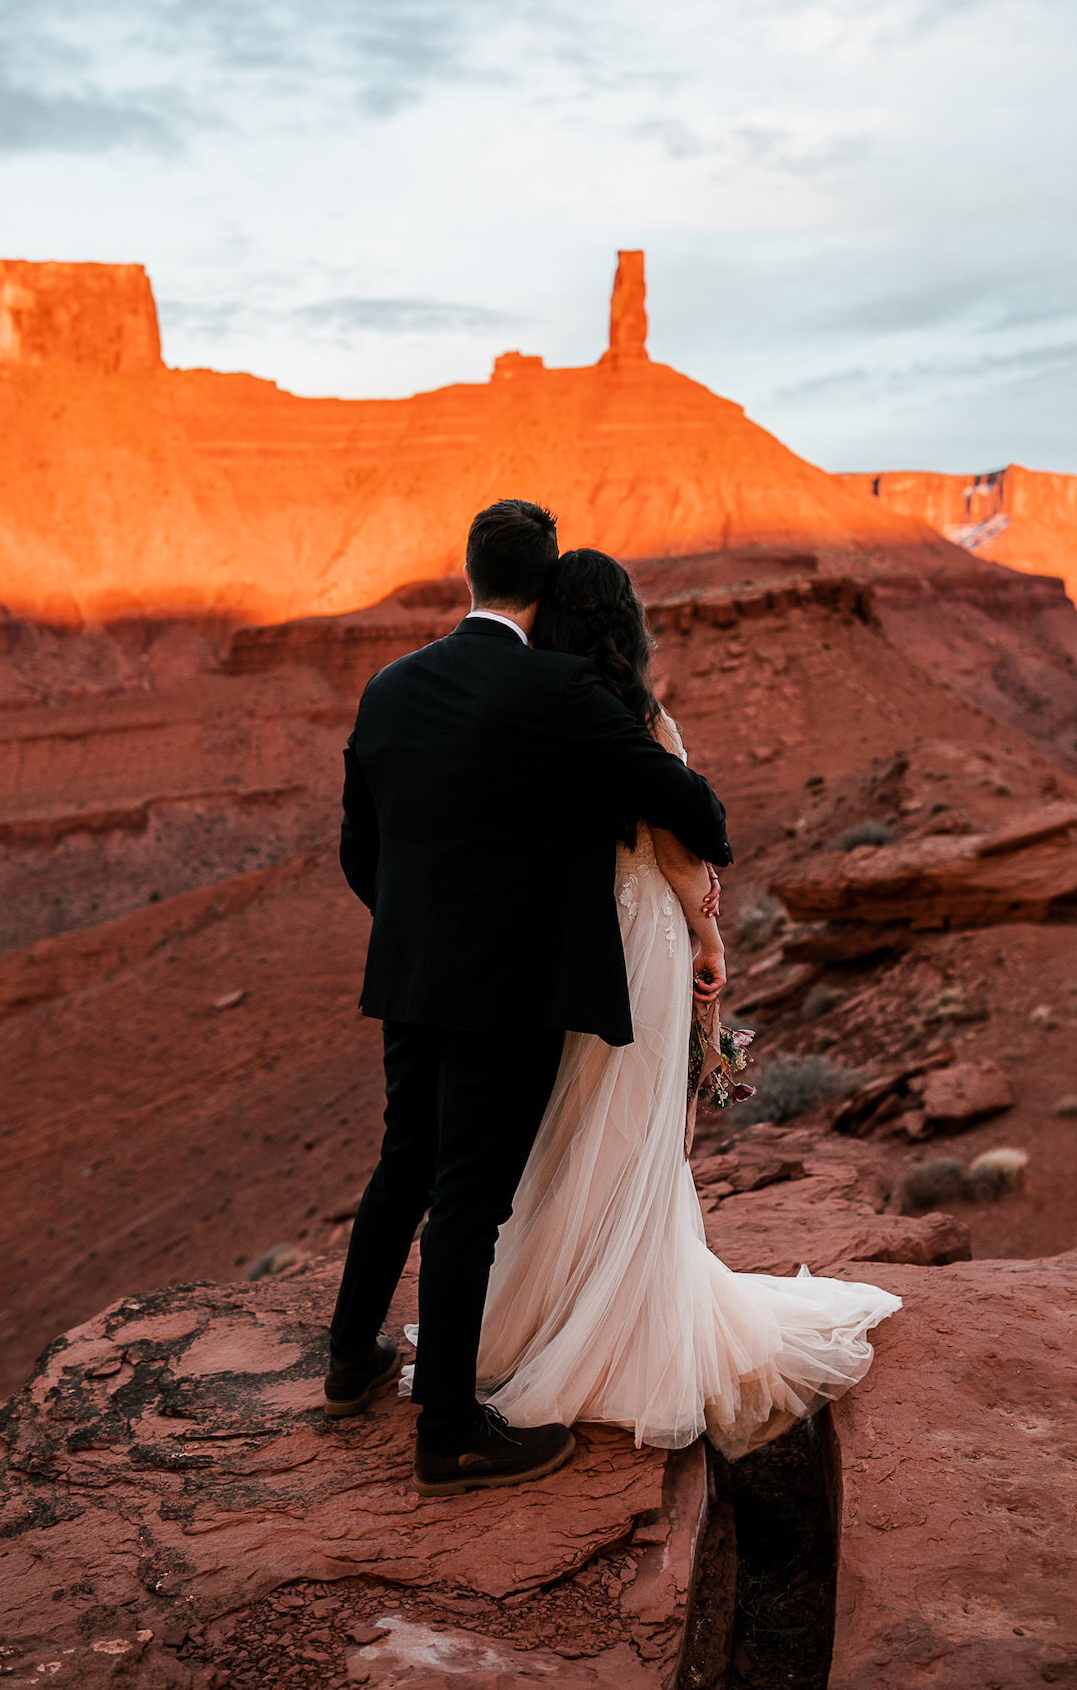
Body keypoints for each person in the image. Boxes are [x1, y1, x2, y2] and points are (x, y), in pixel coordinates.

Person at [323, 500, 734, 1498]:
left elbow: (359, 852)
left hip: (412, 974)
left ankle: (349, 1360)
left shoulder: (389, 686)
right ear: (546, 587)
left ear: (468, 574)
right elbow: (691, 813)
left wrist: (423, 929)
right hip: (508, 987)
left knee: (403, 1162)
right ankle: (451, 1432)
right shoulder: (556, 688)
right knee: (471, 1198)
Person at [472, 548, 900, 1456]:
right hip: (640, 938)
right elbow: (678, 851)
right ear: (623, 622)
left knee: (574, 1122)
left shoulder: (534, 708)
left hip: (559, 945)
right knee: (639, 1128)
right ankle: (627, 1329)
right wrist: (711, 942)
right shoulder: (638, 718)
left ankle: (543, 1318)